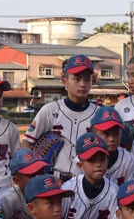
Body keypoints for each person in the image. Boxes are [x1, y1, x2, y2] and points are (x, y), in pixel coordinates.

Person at [23, 54, 101, 182]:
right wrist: (34, 171)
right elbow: (26, 142)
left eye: (87, 79)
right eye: (76, 78)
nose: (82, 84)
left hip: (86, 182)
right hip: (54, 180)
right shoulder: (50, 110)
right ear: (64, 80)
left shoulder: (99, 114)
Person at [93, 106, 134, 187]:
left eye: (116, 133)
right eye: (106, 134)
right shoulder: (82, 159)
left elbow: (128, 193)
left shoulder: (128, 159)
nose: (112, 139)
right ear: (94, 133)